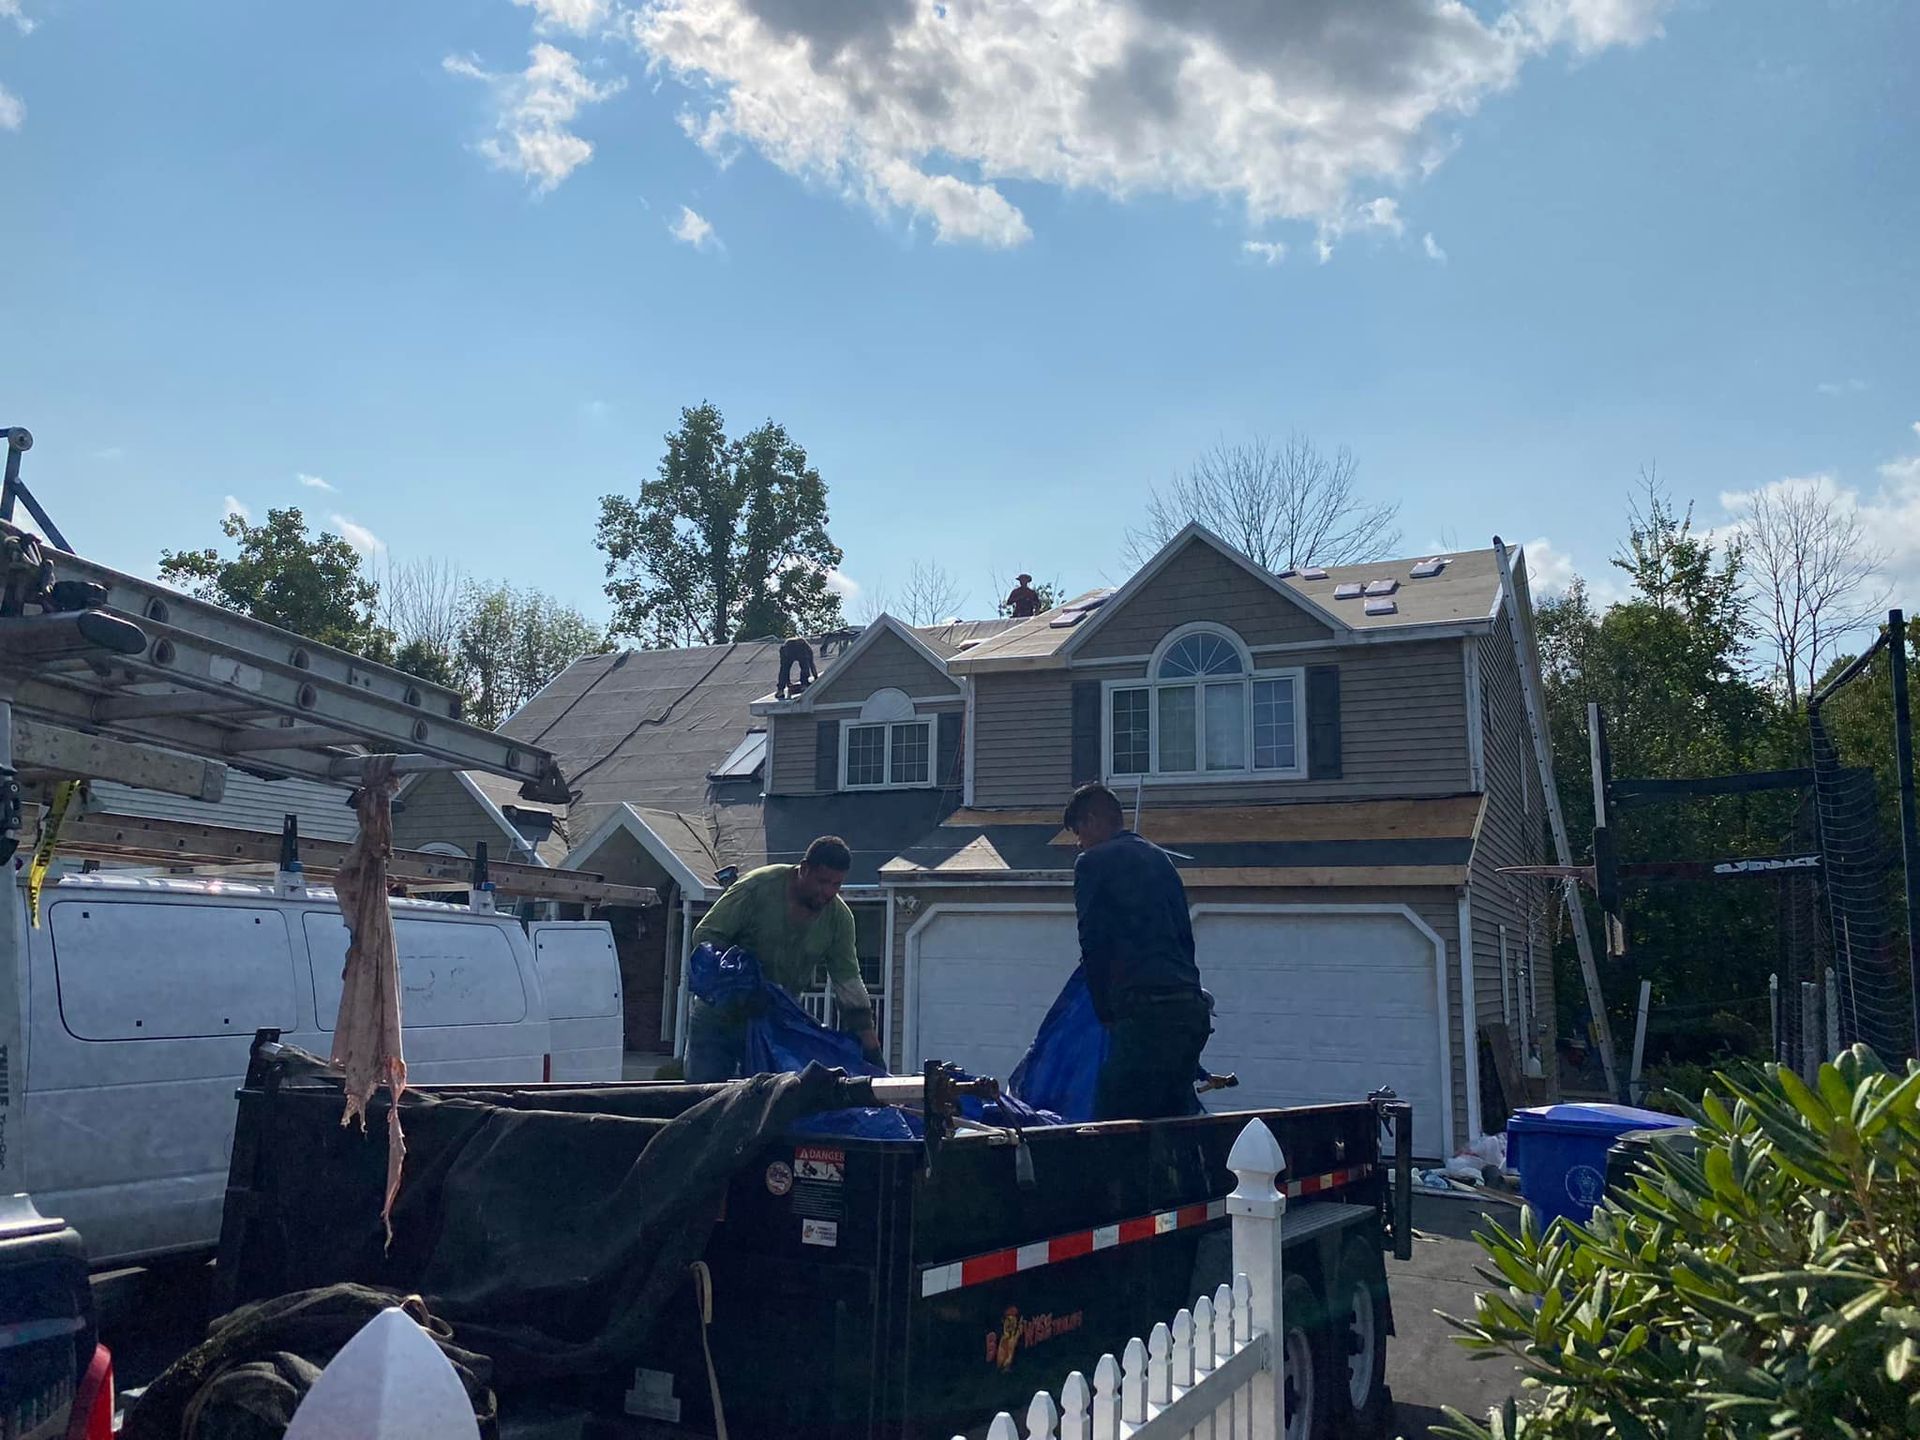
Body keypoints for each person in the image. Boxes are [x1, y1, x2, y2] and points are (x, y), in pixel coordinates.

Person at [1062, 782, 1211, 1120]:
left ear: (1094, 820)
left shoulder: (1092, 862)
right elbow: (1184, 938)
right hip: (1189, 1012)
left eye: (1078, 831)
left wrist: (1106, 1014)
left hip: (1146, 1015)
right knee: (1175, 1121)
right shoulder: (1161, 859)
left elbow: (1093, 943)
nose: (1078, 843)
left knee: (1115, 1125)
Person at [684, 835, 882, 1082]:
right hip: (718, 1017)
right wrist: (738, 982)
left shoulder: (839, 919)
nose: (828, 892)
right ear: (804, 868)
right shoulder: (757, 887)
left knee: (767, 1103)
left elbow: (848, 983)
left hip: (773, 1024)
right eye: (822, 882)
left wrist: (871, 1048)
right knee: (704, 1096)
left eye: (836, 884)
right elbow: (706, 936)